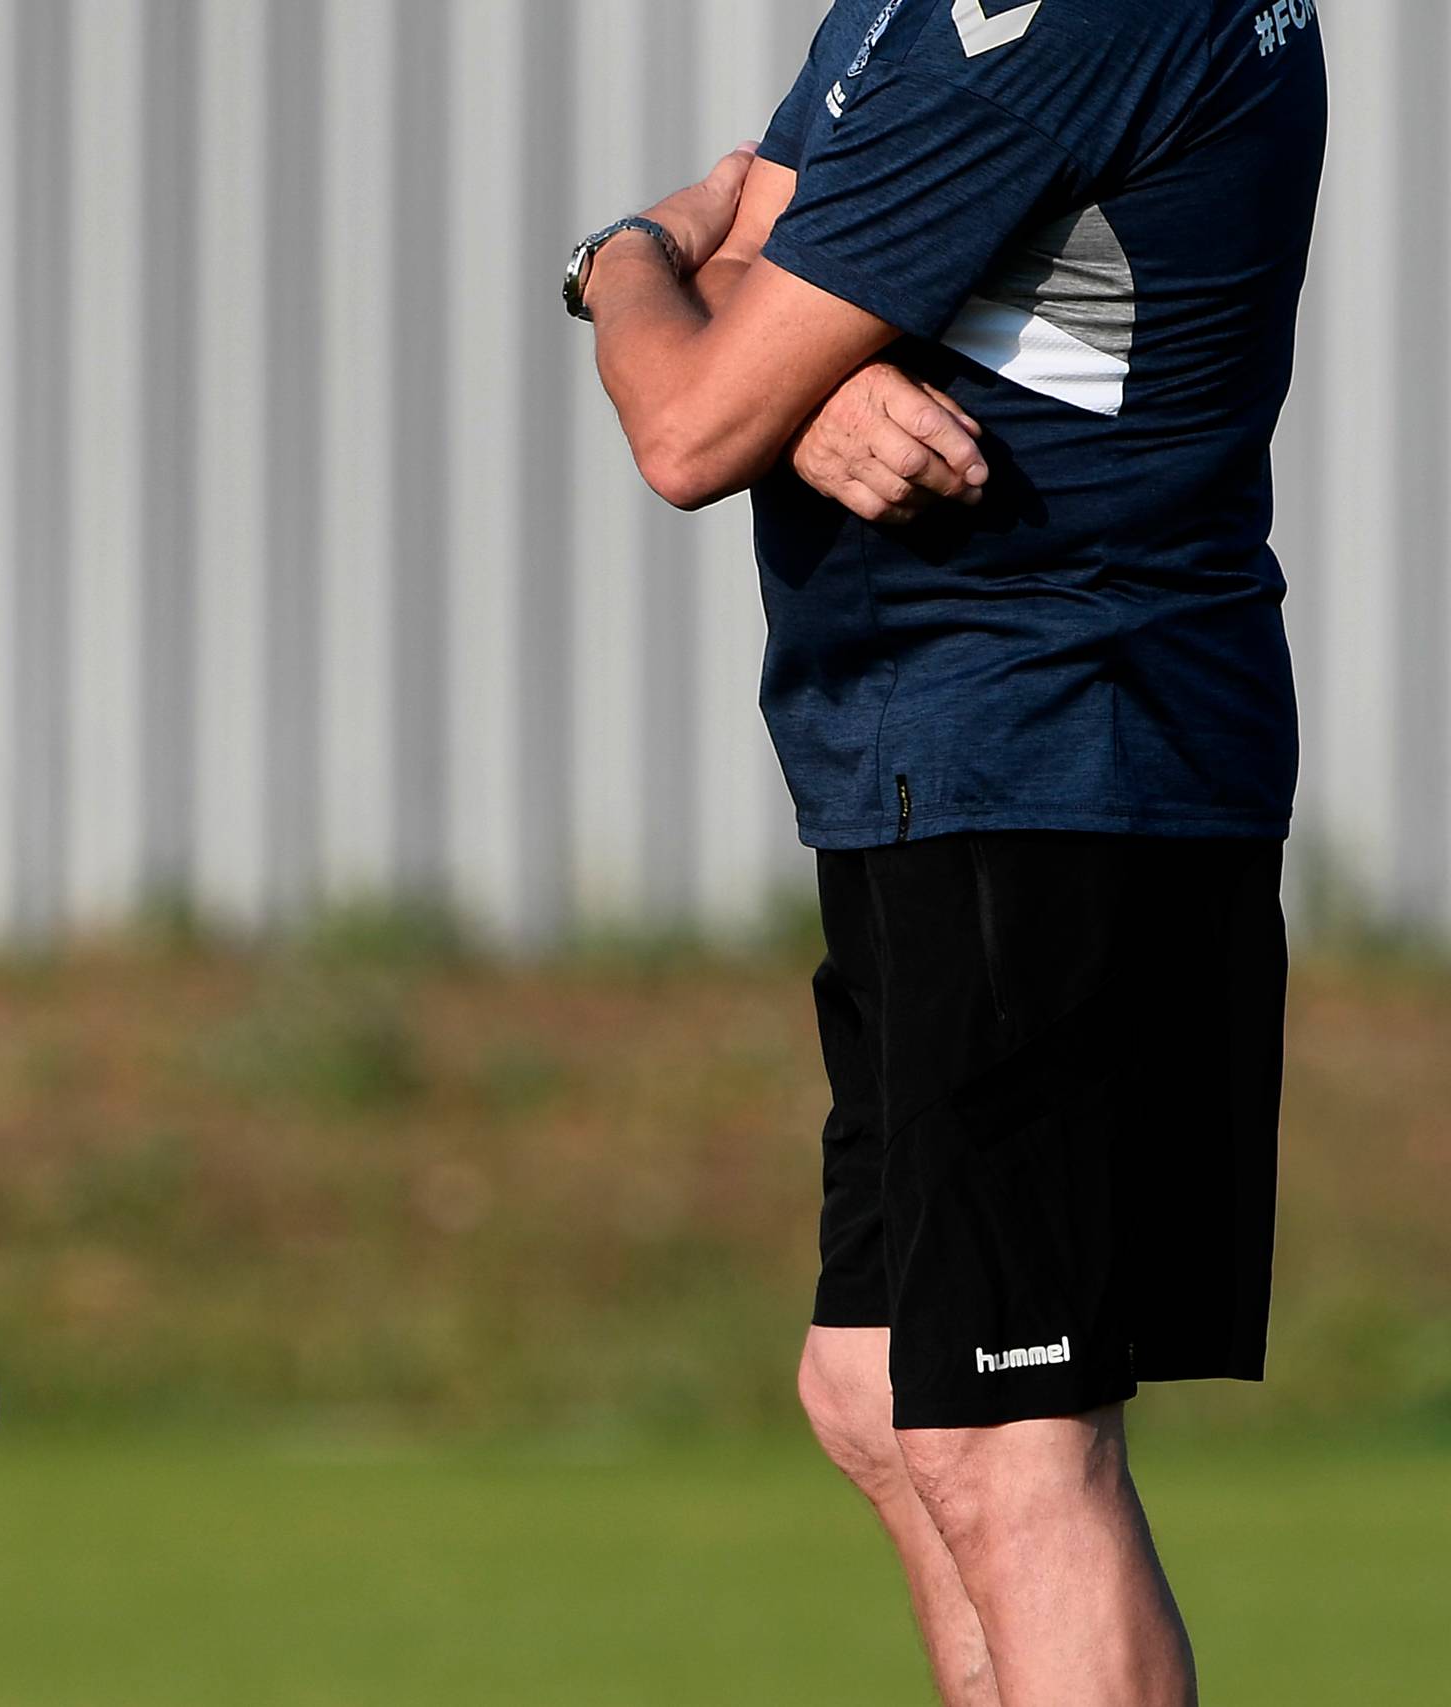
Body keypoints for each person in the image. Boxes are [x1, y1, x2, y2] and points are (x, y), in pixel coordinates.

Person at [566, 2, 1325, 1702]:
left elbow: (689, 407)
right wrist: (787, 373)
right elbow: (762, 231)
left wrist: (618, 259)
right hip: (938, 768)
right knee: (879, 1391)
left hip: (1057, 761)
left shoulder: (1060, 12)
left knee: (1010, 1443)